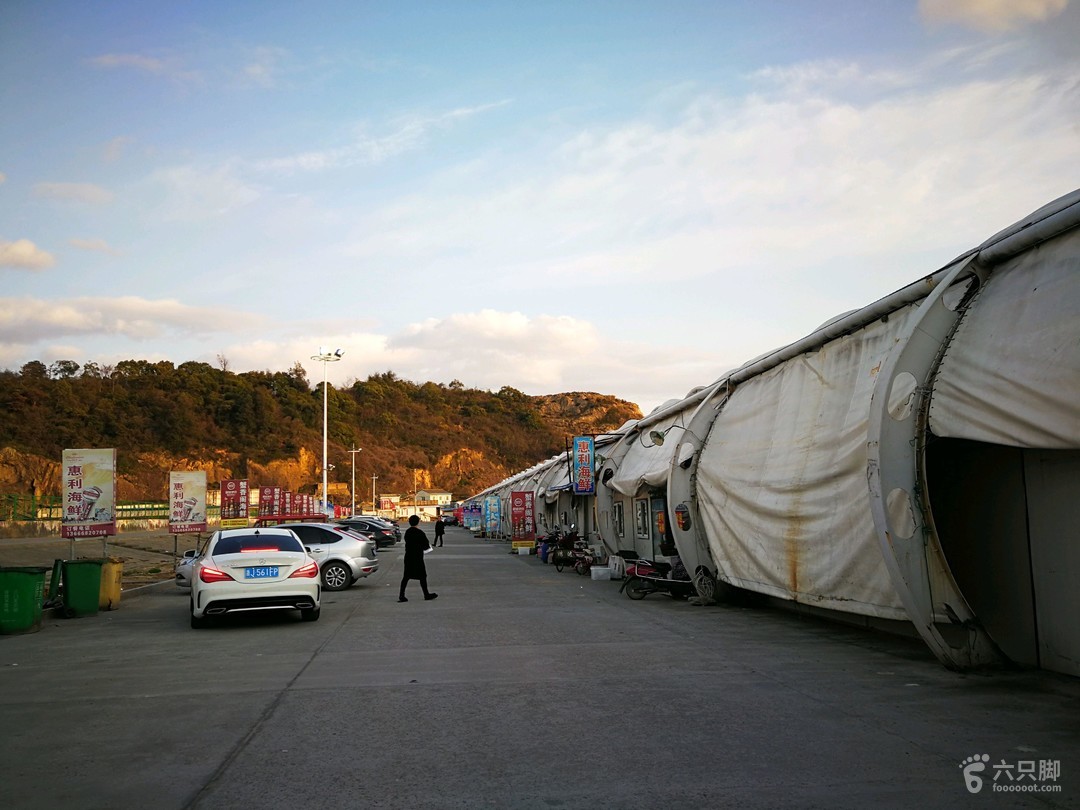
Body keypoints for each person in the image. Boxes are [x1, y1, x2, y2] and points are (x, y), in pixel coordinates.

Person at [399, 514, 438, 602]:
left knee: (406, 576)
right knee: (422, 576)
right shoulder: (420, 533)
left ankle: (401, 595)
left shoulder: (408, 532)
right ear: (418, 522)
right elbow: (426, 545)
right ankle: (426, 594)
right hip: (417, 557)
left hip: (408, 556)